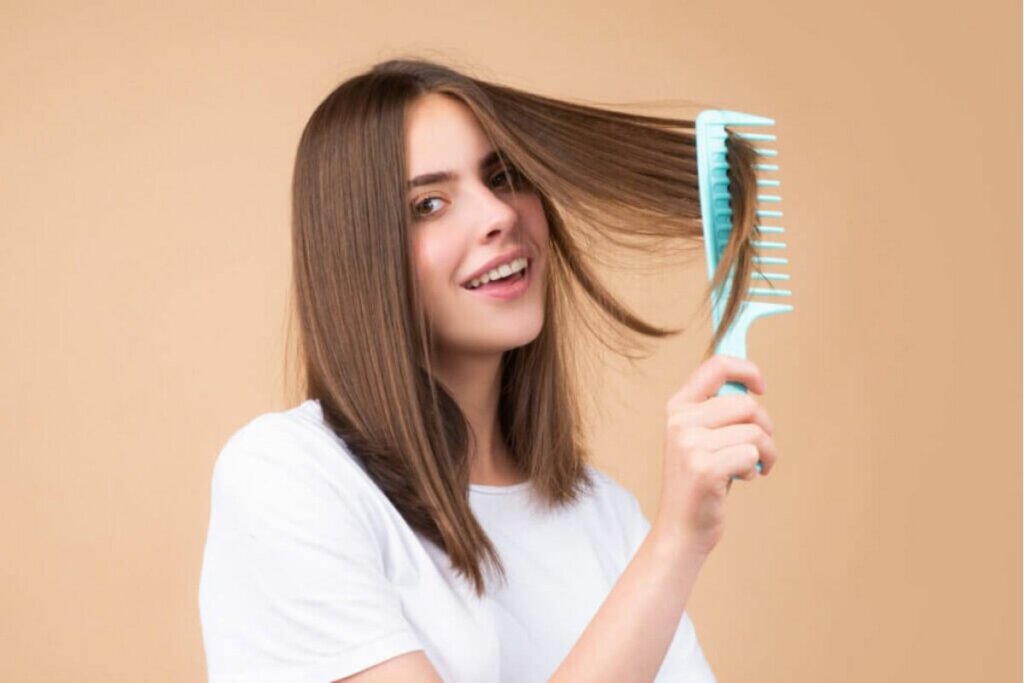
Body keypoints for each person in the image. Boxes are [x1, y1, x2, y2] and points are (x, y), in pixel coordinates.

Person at [198, 58, 779, 682]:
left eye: (503, 176)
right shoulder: (290, 478)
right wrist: (675, 543)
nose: (498, 215)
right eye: (429, 203)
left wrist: (669, 543)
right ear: (361, 255)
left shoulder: (605, 518)